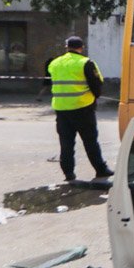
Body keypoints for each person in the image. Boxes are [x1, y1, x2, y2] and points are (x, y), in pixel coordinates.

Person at [48, 36, 112, 182]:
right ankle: (101, 170)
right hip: (83, 108)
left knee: (66, 143)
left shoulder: (54, 63)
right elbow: (97, 84)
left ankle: (68, 174)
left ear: (66, 47)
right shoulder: (86, 63)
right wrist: (95, 97)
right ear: (81, 47)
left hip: (61, 110)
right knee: (90, 141)